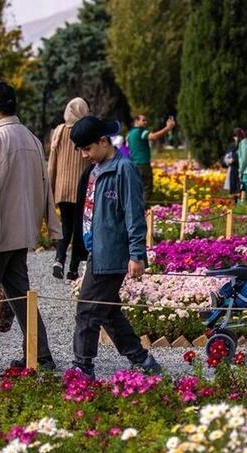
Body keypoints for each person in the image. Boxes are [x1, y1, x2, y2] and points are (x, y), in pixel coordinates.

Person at [0, 80, 62, 370]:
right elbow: (45, 187)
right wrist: (50, 227)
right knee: (21, 294)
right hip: (21, 232)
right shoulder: (31, 138)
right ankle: (41, 353)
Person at [67, 115, 162, 380]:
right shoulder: (95, 169)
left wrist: (136, 254)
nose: (84, 155)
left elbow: (134, 214)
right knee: (107, 310)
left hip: (112, 253)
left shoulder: (124, 168)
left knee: (87, 309)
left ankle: (82, 366)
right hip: (97, 250)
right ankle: (142, 359)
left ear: (103, 141)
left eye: (87, 149)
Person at [48, 97, 90, 282]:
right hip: (80, 189)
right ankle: (73, 269)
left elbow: (52, 163)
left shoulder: (59, 130)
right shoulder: (86, 131)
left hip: (62, 188)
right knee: (79, 229)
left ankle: (59, 260)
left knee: (65, 226)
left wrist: (50, 187)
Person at [126, 114, 175, 206]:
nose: (146, 122)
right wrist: (167, 128)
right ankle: (142, 209)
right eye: (143, 120)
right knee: (146, 187)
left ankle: (133, 207)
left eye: (146, 120)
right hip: (143, 164)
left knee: (136, 188)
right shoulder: (141, 132)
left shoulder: (130, 134)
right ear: (136, 121)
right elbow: (153, 137)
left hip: (133, 164)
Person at [222, 135, 240, 204]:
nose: (237, 138)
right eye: (235, 136)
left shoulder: (242, 146)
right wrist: (230, 160)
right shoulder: (231, 146)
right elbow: (226, 158)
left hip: (240, 169)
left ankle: (239, 203)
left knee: (240, 186)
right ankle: (234, 203)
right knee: (233, 186)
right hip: (232, 168)